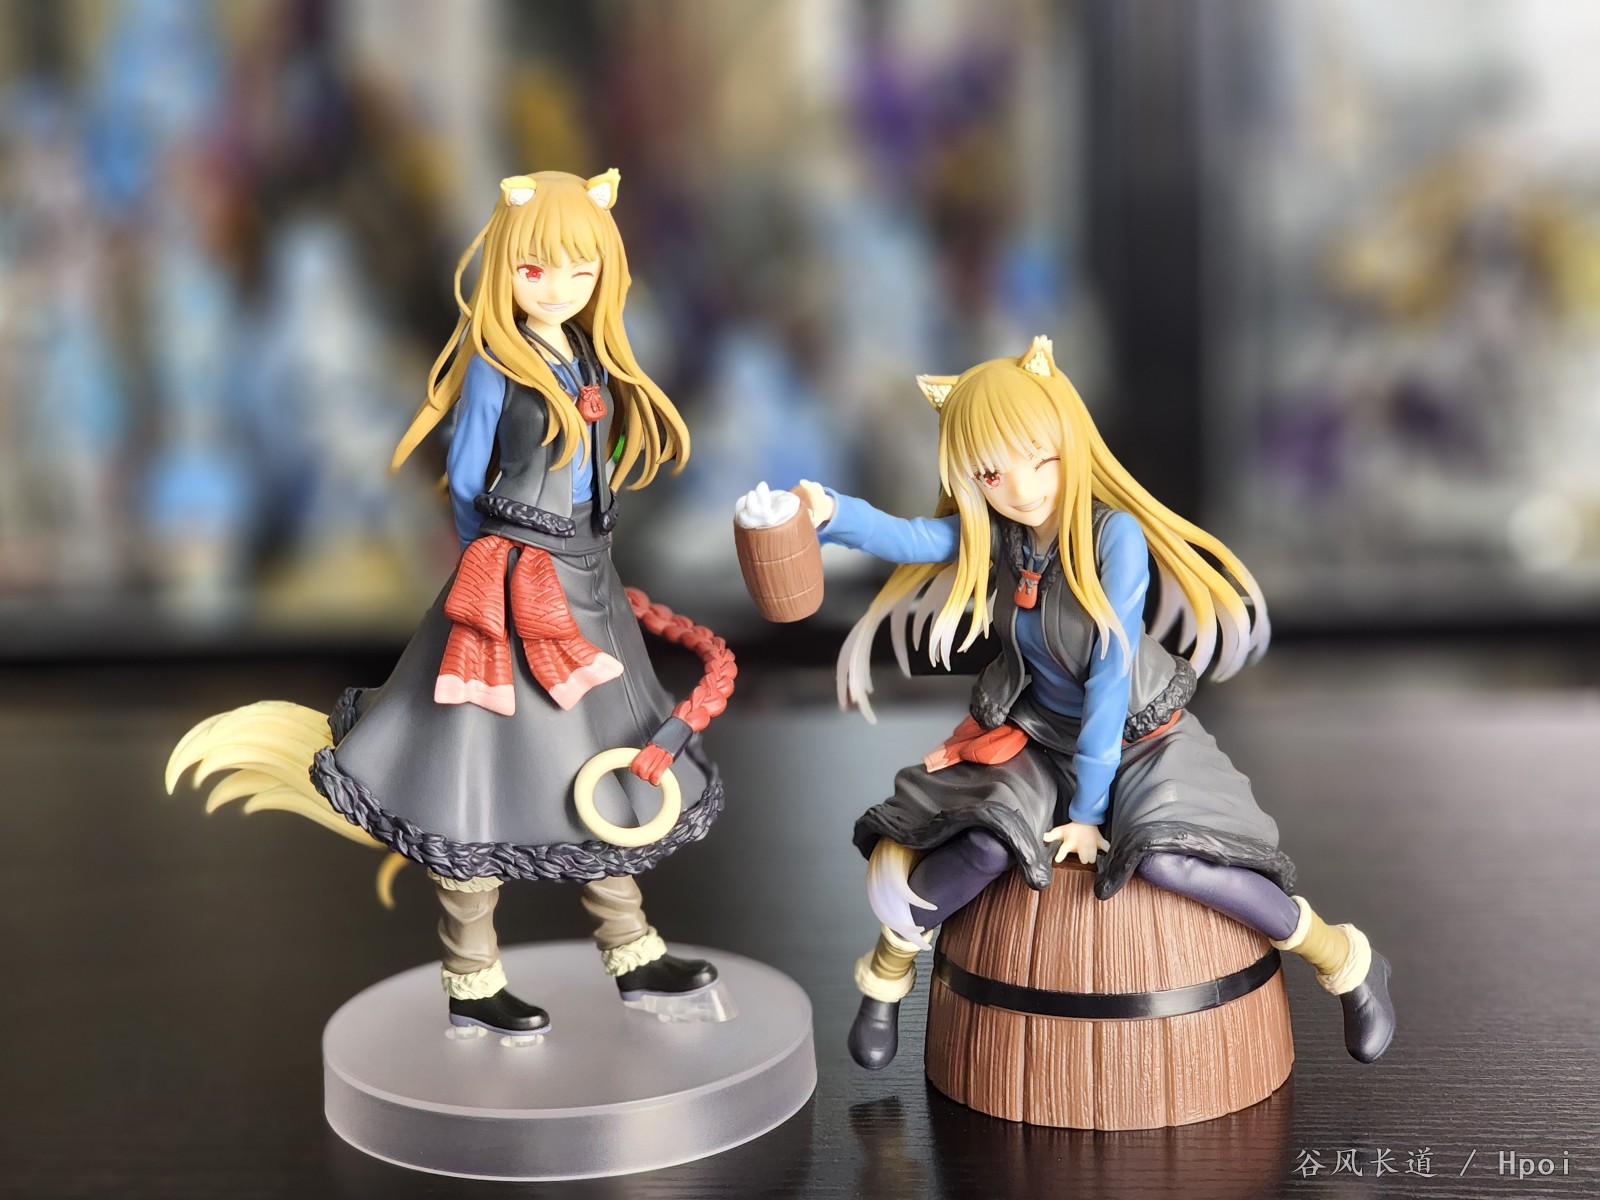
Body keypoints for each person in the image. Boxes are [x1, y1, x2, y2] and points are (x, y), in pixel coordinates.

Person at [170, 170, 726, 1038]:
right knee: (475, 777)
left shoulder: (590, 357)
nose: (558, 287)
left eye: (579, 270)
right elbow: (468, 480)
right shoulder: (497, 367)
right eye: (537, 269)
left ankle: (632, 949)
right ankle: (472, 974)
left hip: (588, 580)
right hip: (511, 590)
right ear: (507, 267)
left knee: (606, 762)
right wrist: (491, 572)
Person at [781, 336, 1393, 1069]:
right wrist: (830, 511)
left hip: (1138, 735)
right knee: (981, 840)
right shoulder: (1001, 536)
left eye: (1041, 458)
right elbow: (912, 536)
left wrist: (1089, 809)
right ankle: (887, 970)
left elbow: (1110, 674)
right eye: (993, 473)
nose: (1022, 488)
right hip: (1036, 733)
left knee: (1171, 861)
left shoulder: (1115, 538)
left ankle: (1343, 960)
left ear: (1070, 441)